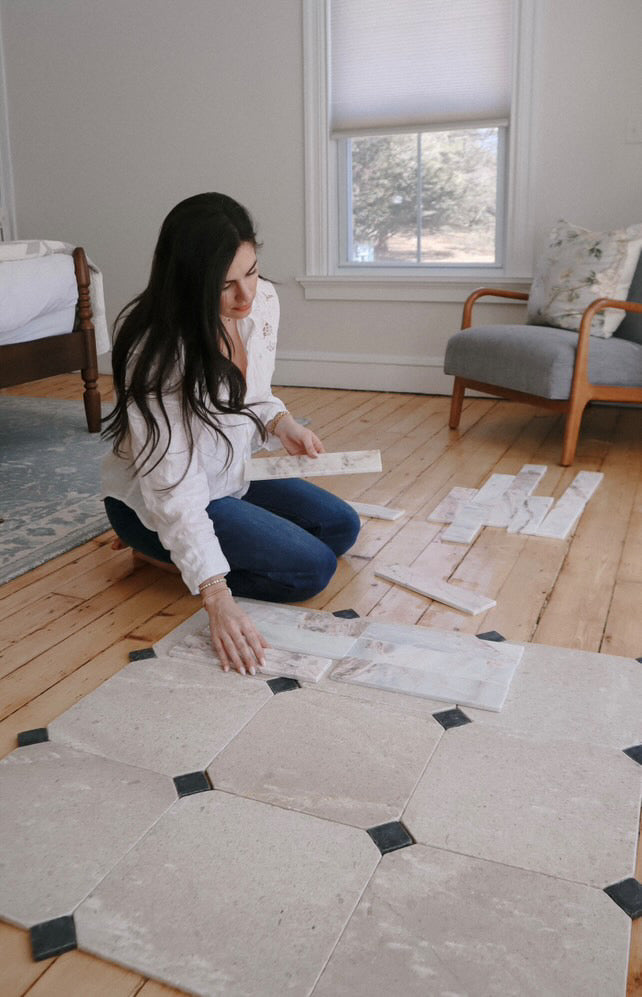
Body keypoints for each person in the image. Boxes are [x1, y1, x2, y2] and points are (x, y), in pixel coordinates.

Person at [101, 192, 360, 677]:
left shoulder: (259, 302)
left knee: (341, 527)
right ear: (190, 285)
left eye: (252, 271)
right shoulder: (157, 355)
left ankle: (182, 556)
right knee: (313, 570)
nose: (246, 296)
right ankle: (156, 549)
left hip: (229, 474)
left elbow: (253, 394)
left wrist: (282, 424)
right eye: (226, 285)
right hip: (164, 498)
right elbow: (174, 487)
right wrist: (216, 596)